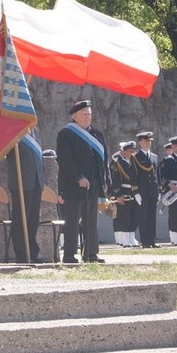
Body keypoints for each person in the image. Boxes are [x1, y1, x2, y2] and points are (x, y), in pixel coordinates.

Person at [56, 100, 109, 263]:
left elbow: (104, 159)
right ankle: (69, 255)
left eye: (89, 114)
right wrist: (79, 177)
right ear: (75, 116)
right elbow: (66, 160)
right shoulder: (66, 134)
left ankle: (90, 253)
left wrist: (105, 181)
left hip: (93, 185)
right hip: (74, 185)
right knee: (72, 221)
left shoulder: (97, 134)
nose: (87, 117)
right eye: (84, 114)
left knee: (91, 220)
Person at [6, 127, 44, 263]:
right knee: (20, 219)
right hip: (21, 181)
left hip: (36, 180)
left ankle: (33, 252)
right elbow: (5, 153)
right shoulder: (14, 130)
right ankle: (22, 254)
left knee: (33, 220)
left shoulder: (35, 131)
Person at [132, 131, 160, 248]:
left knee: (152, 217)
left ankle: (152, 240)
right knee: (143, 217)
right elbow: (133, 175)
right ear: (140, 142)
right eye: (146, 141)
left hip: (152, 191)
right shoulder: (136, 157)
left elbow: (156, 175)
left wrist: (159, 191)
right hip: (142, 191)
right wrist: (136, 192)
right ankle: (145, 241)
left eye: (150, 141)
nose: (148, 143)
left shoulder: (154, 157)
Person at [110, 141, 139, 248]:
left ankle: (131, 237)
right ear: (125, 152)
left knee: (134, 216)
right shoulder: (119, 163)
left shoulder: (135, 162)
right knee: (125, 216)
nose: (133, 153)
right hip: (124, 192)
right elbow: (116, 180)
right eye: (131, 151)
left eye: (134, 151)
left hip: (134, 192)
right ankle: (125, 239)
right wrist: (118, 195)